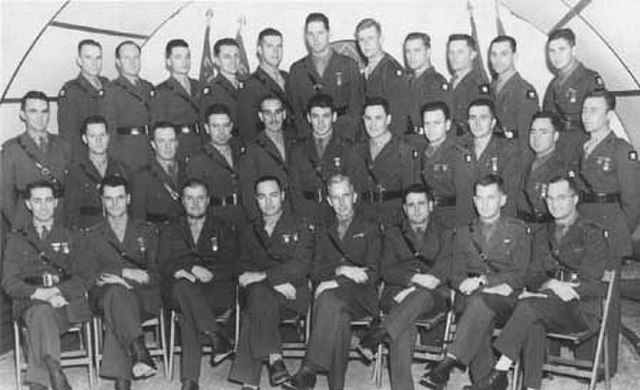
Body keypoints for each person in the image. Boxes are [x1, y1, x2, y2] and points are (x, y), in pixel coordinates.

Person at [474, 175, 609, 390]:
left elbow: (595, 283)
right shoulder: (542, 233)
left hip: (580, 309)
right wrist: (552, 285)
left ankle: (499, 369)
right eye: (550, 198)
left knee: (528, 307)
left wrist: (566, 289)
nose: (555, 203)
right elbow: (532, 275)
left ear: (575, 199)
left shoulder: (591, 233)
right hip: (546, 304)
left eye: (561, 197)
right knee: (532, 319)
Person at [419, 175, 531, 390]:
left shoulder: (518, 230)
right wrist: (461, 284)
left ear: (503, 200)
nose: (484, 204)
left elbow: (521, 274)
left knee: (478, 303)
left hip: (505, 302)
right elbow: (455, 274)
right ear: (473, 200)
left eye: (491, 197)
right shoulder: (462, 232)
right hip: (471, 301)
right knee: (477, 307)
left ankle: (449, 361)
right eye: (479, 198)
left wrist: (483, 280)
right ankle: (487, 384)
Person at [285, 174, 381, 390]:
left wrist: (335, 282)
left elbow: (373, 273)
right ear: (328, 200)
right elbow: (316, 271)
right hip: (334, 302)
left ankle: (309, 368)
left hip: (362, 298)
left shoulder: (370, 227)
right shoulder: (322, 229)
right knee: (338, 314)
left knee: (329, 298)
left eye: (346, 195)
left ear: (354, 196)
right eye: (335, 197)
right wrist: (341, 270)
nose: (342, 202)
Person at [360, 184, 450, 390]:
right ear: (404, 209)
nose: (416, 209)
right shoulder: (393, 234)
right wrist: (414, 280)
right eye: (411, 205)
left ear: (431, 205)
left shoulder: (446, 233)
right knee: (402, 328)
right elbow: (387, 270)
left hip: (433, 296)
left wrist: (417, 288)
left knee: (422, 296)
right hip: (398, 294)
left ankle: (379, 333)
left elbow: (444, 269)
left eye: (421, 204)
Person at [2, 180, 90, 390]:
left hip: (64, 304)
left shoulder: (72, 235)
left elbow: (85, 276)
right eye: (37, 201)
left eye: (49, 200)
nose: (43, 206)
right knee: (40, 312)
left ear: (56, 202)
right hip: (31, 304)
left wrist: (59, 292)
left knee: (41, 316)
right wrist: (40, 293)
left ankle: (41, 380)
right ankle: (55, 372)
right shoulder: (16, 239)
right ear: (28, 204)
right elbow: (9, 282)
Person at [228, 175, 313, 390]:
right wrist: (272, 280)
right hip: (265, 295)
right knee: (258, 295)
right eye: (262, 197)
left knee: (256, 299)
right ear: (256, 200)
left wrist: (265, 277)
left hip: (291, 296)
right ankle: (275, 359)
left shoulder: (300, 225)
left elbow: (302, 265)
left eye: (274, 195)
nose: (269, 202)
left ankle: (251, 380)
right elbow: (240, 266)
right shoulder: (249, 230)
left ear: (283, 196)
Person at [576, 90, 640, 371]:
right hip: (585, 228)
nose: (586, 115)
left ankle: (608, 364)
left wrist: (617, 236)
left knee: (607, 301)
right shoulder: (585, 146)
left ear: (609, 115)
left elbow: (633, 201)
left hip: (609, 232)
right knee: (587, 295)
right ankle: (587, 360)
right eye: (584, 109)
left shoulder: (621, 149)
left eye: (593, 110)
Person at [80, 175, 161, 390]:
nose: (114, 204)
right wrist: (124, 273)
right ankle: (139, 349)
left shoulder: (147, 231)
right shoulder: (91, 235)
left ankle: (124, 378)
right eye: (109, 198)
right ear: (102, 201)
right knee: (115, 294)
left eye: (119, 197)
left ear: (128, 199)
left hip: (141, 297)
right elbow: (88, 275)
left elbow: (157, 272)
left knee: (117, 302)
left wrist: (130, 281)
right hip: (103, 296)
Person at [158, 178, 236, 390]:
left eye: (200, 198)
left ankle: (190, 382)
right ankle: (216, 335)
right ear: (182, 201)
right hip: (180, 289)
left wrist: (210, 274)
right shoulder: (171, 228)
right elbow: (163, 263)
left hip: (213, 289)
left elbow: (232, 264)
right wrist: (189, 269)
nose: (195, 203)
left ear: (208, 200)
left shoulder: (222, 227)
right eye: (190, 198)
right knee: (183, 287)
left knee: (188, 313)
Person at [288, 12, 364, 141]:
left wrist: (347, 139)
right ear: (305, 37)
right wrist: (305, 141)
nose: (316, 39)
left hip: (343, 137)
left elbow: (356, 108)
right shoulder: (297, 70)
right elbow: (296, 111)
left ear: (329, 34)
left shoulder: (348, 65)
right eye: (311, 34)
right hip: (310, 141)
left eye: (320, 33)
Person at [1, 91, 71, 230]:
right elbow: (4, 195)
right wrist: (19, 226)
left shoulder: (63, 146)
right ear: (22, 115)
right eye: (33, 111)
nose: (40, 117)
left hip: (60, 222)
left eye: (44, 111)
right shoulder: (12, 149)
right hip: (26, 222)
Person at [289, 94, 360, 226]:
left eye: (325, 116)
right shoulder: (298, 149)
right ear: (309, 118)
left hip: (338, 216)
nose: (320, 122)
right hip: (308, 215)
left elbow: (355, 187)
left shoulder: (348, 148)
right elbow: (295, 190)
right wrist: (302, 219)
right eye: (315, 116)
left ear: (334, 117)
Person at [355, 97, 421, 227]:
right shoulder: (358, 150)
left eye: (378, 118)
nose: (372, 124)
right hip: (365, 221)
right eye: (368, 118)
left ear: (388, 119)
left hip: (394, 222)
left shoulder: (404, 151)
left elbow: (411, 196)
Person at [543, 28, 605, 162]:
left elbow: (600, 119)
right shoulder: (553, 85)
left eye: (562, 49)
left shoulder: (590, 79)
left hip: (583, 146)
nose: (556, 56)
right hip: (559, 147)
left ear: (573, 50)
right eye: (552, 51)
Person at [455, 99, 521, 223]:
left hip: (494, 225)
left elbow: (510, 198)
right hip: (463, 224)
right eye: (473, 118)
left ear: (493, 122)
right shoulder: (458, 148)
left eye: (483, 118)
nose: (477, 123)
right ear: (468, 122)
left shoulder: (507, 152)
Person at [186, 103, 248, 229]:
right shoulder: (198, 159)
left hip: (244, 219)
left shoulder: (242, 151)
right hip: (216, 222)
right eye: (215, 126)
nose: (221, 132)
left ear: (231, 126)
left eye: (225, 126)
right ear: (207, 128)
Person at [64, 115, 130, 229]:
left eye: (102, 135)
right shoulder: (76, 173)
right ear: (85, 139)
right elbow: (71, 217)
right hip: (88, 236)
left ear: (108, 137)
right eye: (93, 136)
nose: (98, 141)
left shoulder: (122, 169)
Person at [516, 112, 575, 233]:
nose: (536, 137)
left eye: (543, 132)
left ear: (556, 136)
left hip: (547, 232)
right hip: (523, 230)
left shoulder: (561, 167)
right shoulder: (526, 163)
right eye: (533, 132)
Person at [239, 95, 296, 221]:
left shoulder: (295, 141)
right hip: (270, 217)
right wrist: (258, 225)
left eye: (278, 112)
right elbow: (248, 193)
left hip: (297, 213)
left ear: (284, 114)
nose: (273, 118)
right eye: (268, 113)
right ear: (261, 116)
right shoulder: (252, 149)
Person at [101, 41, 155, 170]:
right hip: (127, 155)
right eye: (127, 58)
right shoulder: (111, 91)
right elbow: (110, 132)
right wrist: (117, 163)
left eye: (136, 57)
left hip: (151, 152)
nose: (133, 62)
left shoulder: (149, 87)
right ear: (118, 63)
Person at [151, 39, 204, 164]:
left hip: (201, 145)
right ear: (168, 61)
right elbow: (158, 128)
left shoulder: (199, 86)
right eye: (178, 57)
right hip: (178, 149)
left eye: (187, 57)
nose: (184, 62)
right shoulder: (161, 91)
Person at [355, 18, 409, 137]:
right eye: (361, 40)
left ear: (381, 39)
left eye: (370, 38)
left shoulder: (392, 71)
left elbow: (399, 120)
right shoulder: (364, 72)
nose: (366, 44)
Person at [419, 101, 468, 228]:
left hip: (451, 220)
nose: (431, 129)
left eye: (436, 123)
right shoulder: (422, 153)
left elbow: (465, 201)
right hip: (427, 219)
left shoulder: (457, 155)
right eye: (427, 124)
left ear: (447, 125)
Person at [58, 39, 109, 160]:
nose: (94, 63)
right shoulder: (71, 91)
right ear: (79, 61)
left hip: (109, 157)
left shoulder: (107, 85)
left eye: (98, 58)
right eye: (88, 58)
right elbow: (69, 136)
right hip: (86, 159)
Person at [237, 28, 290, 142]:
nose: (275, 52)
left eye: (279, 46)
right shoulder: (250, 85)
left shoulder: (288, 77)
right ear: (260, 50)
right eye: (270, 46)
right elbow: (248, 130)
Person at [488, 35, 539, 154]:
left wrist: (524, 170)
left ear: (514, 56)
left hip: (513, 155)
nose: (498, 60)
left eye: (504, 54)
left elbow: (527, 137)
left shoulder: (524, 90)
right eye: (493, 55)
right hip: (493, 153)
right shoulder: (491, 88)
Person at [130, 123, 186, 225]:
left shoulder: (188, 170)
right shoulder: (142, 176)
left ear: (177, 143)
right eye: (161, 141)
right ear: (153, 144)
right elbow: (138, 219)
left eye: (171, 140)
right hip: (157, 236)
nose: (167, 146)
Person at [403, 33, 451, 141]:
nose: (412, 56)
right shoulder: (407, 82)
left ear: (428, 52)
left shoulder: (436, 83)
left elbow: (441, 125)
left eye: (417, 50)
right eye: (408, 51)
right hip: (407, 143)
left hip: (426, 142)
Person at [447, 34, 490, 136]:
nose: (454, 57)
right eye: (451, 52)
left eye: (460, 52)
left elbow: (481, 125)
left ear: (472, 55)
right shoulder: (451, 82)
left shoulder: (478, 84)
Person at [201, 38, 243, 133]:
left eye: (236, 56)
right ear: (217, 60)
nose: (233, 61)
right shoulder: (212, 91)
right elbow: (206, 129)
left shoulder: (247, 86)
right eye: (227, 57)